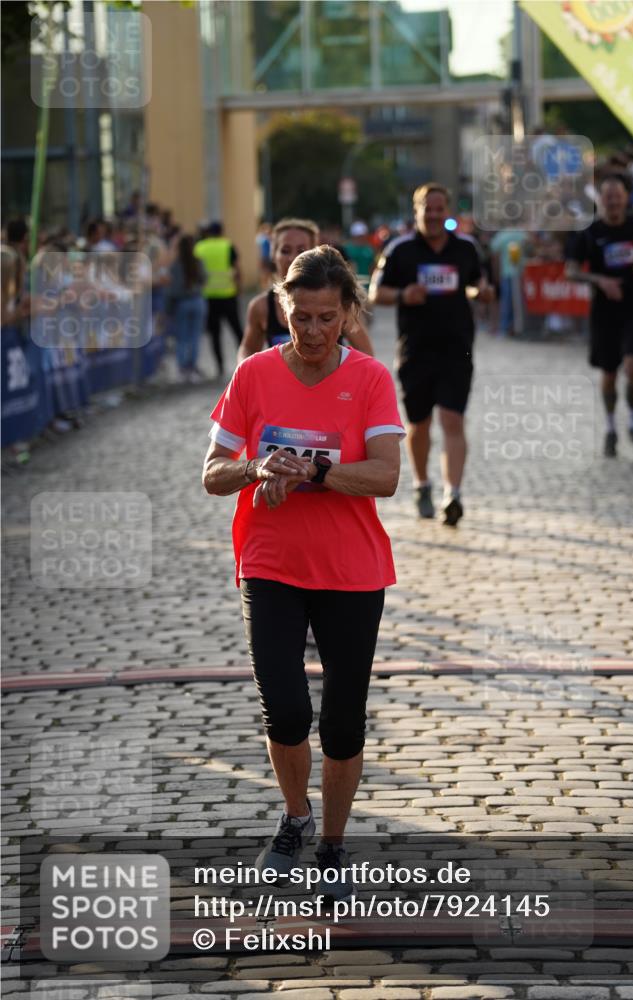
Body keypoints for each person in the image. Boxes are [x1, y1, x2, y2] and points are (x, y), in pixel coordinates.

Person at [202, 246, 402, 897]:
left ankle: (333, 844)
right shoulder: (254, 375)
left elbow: (386, 475)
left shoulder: (370, 378)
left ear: (348, 314)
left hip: (351, 569)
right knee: (285, 711)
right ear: (281, 308)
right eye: (300, 317)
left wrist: (315, 470)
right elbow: (212, 473)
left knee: (342, 721)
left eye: (326, 318)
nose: (313, 331)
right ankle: (294, 816)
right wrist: (255, 467)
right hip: (271, 562)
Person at [369, 182, 492, 525]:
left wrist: (483, 292)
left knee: (453, 419)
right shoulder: (400, 249)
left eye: (440, 209)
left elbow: (478, 284)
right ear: (417, 211)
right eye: (428, 209)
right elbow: (376, 293)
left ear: (447, 211)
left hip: (457, 347)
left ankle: (453, 494)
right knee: (418, 424)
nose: (434, 215)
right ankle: (422, 485)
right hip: (415, 349)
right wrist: (403, 295)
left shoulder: (466, 248)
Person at [566, 174, 633, 457]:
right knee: (609, 373)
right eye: (608, 196)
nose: (613, 201)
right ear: (600, 200)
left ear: (626, 198)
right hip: (604, 310)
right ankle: (610, 428)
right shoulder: (589, 232)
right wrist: (600, 281)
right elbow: (571, 270)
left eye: (617, 196)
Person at [238, 218, 374, 362]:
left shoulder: (337, 302)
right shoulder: (261, 307)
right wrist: (245, 368)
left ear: (314, 253)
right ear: (273, 254)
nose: (292, 257)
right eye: (285, 250)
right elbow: (247, 350)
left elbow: (366, 355)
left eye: (301, 250)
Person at [194, 221, 243, 376]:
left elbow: (195, 271)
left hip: (208, 296)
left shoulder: (200, 247)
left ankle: (219, 366)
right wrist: (239, 287)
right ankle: (244, 361)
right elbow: (237, 269)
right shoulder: (228, 246)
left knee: (215, 333)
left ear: (208, 232)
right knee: (237, 330)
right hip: (228, 294)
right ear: (222, 231)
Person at [166, 234, 207, 382]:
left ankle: (182, 368)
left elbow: (172, 289)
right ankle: (192, 367)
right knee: (195, 337)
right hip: (197, 301)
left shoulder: (175, 265)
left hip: (181, 303)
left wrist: (168, 308)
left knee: (182, 337)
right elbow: (204, 279)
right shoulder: (198, 262)